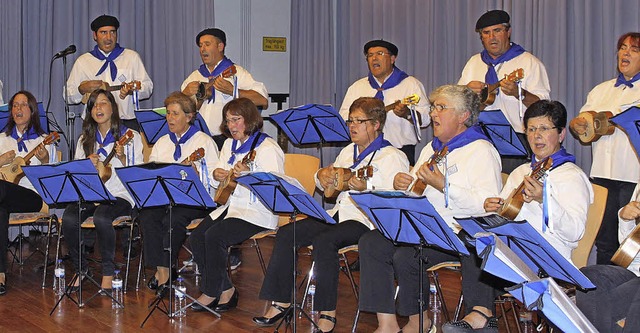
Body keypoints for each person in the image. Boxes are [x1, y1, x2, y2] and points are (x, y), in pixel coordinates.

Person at [255, 97, 409, 333]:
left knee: (325, 241)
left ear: (376, 124)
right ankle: (281, 301)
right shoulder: (348, 151)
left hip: (367, 222)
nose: (352, 126)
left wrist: (366, 188)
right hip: (338, 214)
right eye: (350, 121)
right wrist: (321, 176)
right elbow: (327, 185)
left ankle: (327, 311)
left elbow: (394, 199)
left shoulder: (392, 156)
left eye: (359, 121)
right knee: (288, 232)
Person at [358, 85, 502, 333]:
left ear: (463, 116)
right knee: (371, 241)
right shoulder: (431, 149)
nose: (433, 113)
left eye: (441, 107)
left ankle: (419, 321)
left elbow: (487, 206)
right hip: (424, 227)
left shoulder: (481, 150)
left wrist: (444, 185)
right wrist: (402, 186)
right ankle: (387, 324)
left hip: (456, 232)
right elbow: (415, 193)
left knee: (407, 255)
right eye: (434, 107)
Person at [442, 100, 592, 333]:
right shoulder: (521, 172)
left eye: (544, 129)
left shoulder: (571, 176)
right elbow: (504, 216)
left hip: (549, 259)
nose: (536, 136)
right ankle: (482, 314)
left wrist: (545, 200)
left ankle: (482, 314)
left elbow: (574, 233)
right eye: (531, 129)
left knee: (480, 247)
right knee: (471, 236)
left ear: (561, 134)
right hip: (516, 254)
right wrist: (492, 207)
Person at [188, 97, 284, 313]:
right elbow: (218, 181)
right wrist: (216, 173)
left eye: (236, 120)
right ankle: (226, 288)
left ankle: (211, 291)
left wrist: (249, 175)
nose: (231, 126)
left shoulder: (268, 147)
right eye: (228, 121)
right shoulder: (229, 145)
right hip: (232, 207)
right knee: (196, 237)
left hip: (258, 212)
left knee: (215, 237)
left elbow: (275, 187)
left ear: (249, 120)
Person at [61, 89, 143, 292]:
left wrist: (123, 159)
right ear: (89, 112)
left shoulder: (130, 136)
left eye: (103, 103)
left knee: (102, 217)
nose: (98, 108)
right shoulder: (84, 140)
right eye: (94, 105)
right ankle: (81, 269)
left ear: (113, 108)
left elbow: (138, 174)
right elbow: (76, 174)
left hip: (120, 194)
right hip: (91, 194)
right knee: (70, 218)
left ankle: (108, 271)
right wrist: (85, 165)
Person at [569, 32, 640, 265]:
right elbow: (583, 128)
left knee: (630, 243)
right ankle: (604, 297)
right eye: (622, 48)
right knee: (604, 240)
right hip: (601, 174)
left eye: (634, 49)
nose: (625, 53)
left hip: (633, 175)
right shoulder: (600, 90)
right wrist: (577, 125)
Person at [139, 92, 219, 295]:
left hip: (194, 201)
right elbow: (152, 172)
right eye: (167, 113)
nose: (169, 118)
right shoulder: (162, 142)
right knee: (147, 215)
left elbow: (215, 181)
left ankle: (165, 273)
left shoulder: (204, 142)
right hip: (166, 198)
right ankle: (163, 270)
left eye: (175, 114)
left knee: (172, 220)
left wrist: (198, 173)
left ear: (189, 116)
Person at [458, 9, 550, 172]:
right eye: (486, 33)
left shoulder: (529, 62)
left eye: (497, 31)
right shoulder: (474, 63)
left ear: (508, 32)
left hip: (514, 141)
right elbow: (457, 103)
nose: (491, 37)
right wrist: (465, 91)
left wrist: (519, 93)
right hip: (476, 138)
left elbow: (544, 108)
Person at [339, 39, 430, 166]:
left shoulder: (410, 84)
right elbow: (343, 119)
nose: (374, 58)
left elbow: (426, 119)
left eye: (380, 54)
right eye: (370, 55)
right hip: (362, 153)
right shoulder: (357, 87)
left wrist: (407, 114)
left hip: (400, 153)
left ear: (392, 59)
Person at [0, 91, 56, 295]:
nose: (18, 109)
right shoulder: (1, 139)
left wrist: (44, 161)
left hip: (32, 198)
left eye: (23, 105)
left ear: (32, 110)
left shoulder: (43, 140)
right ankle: (0, 274)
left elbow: (54, 180)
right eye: (14, 105)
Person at [181, 28, 268, 150]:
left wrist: (234, 91)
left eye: (207, 44)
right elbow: (179, 111)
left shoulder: (237, 73)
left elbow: (262, 100)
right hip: (198, 140)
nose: (202, 49)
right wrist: (185, 94)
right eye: (200, 46)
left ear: (220, 46)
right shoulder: (194, 76)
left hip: (228, 140)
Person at [65, 14, 153, 131]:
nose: (108, 37)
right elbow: (67, 96)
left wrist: (133, 90)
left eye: (112, 32)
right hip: (95, 123)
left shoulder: (131, 57)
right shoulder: (83, 61)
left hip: (126, 122)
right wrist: (81, 90)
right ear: (95, 36)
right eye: (103, 32)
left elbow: (148, 88)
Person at [577, 185, 640, 332]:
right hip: (635, 273)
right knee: (590, 278)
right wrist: (625, 220)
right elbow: (630, 251)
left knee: (606, 307)